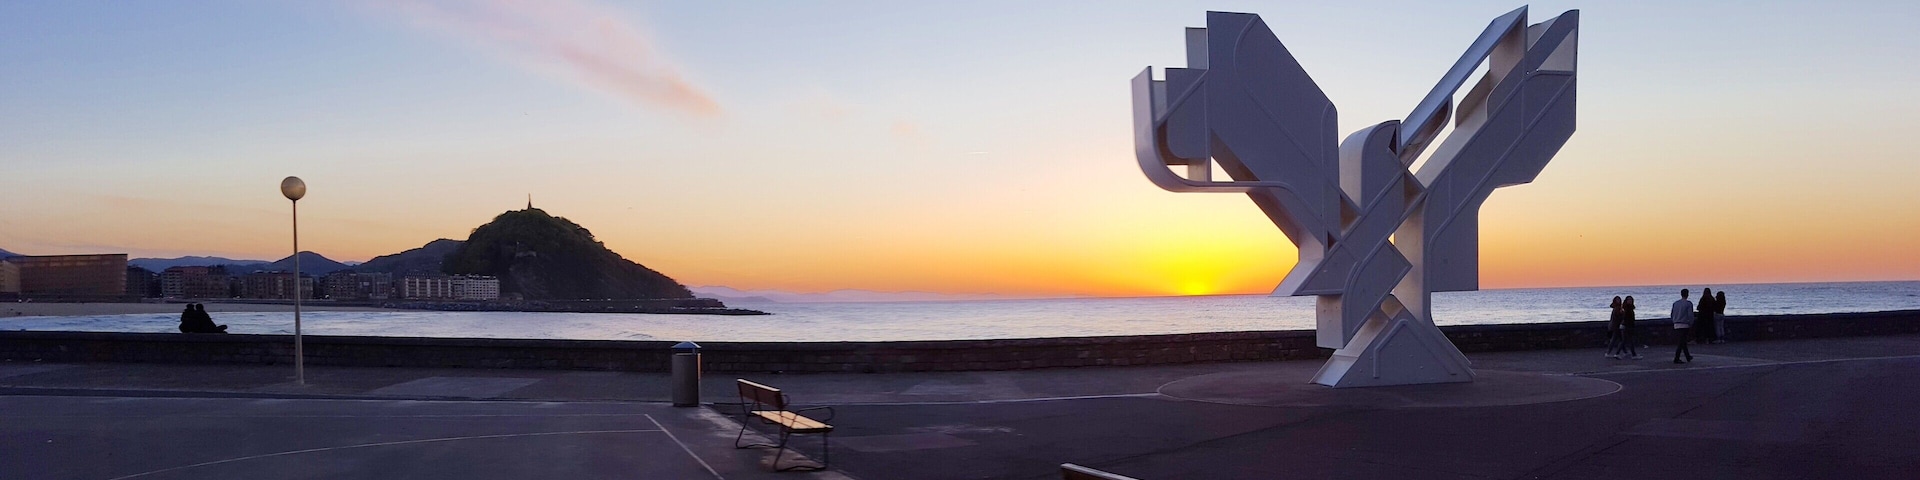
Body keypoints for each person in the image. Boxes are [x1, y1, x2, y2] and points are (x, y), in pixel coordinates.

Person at [1671, 289, 1695, 363]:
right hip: (1684, 324)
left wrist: (1674, 321)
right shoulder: (1688, 304)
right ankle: (1676, 358)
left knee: (1682, 341)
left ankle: (1688, 357)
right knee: (1681, 342)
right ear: (1687, 294)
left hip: (1676, 324)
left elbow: (1672, 314)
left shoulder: (1675, 303)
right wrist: (1691, 323)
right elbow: (1690, 315)